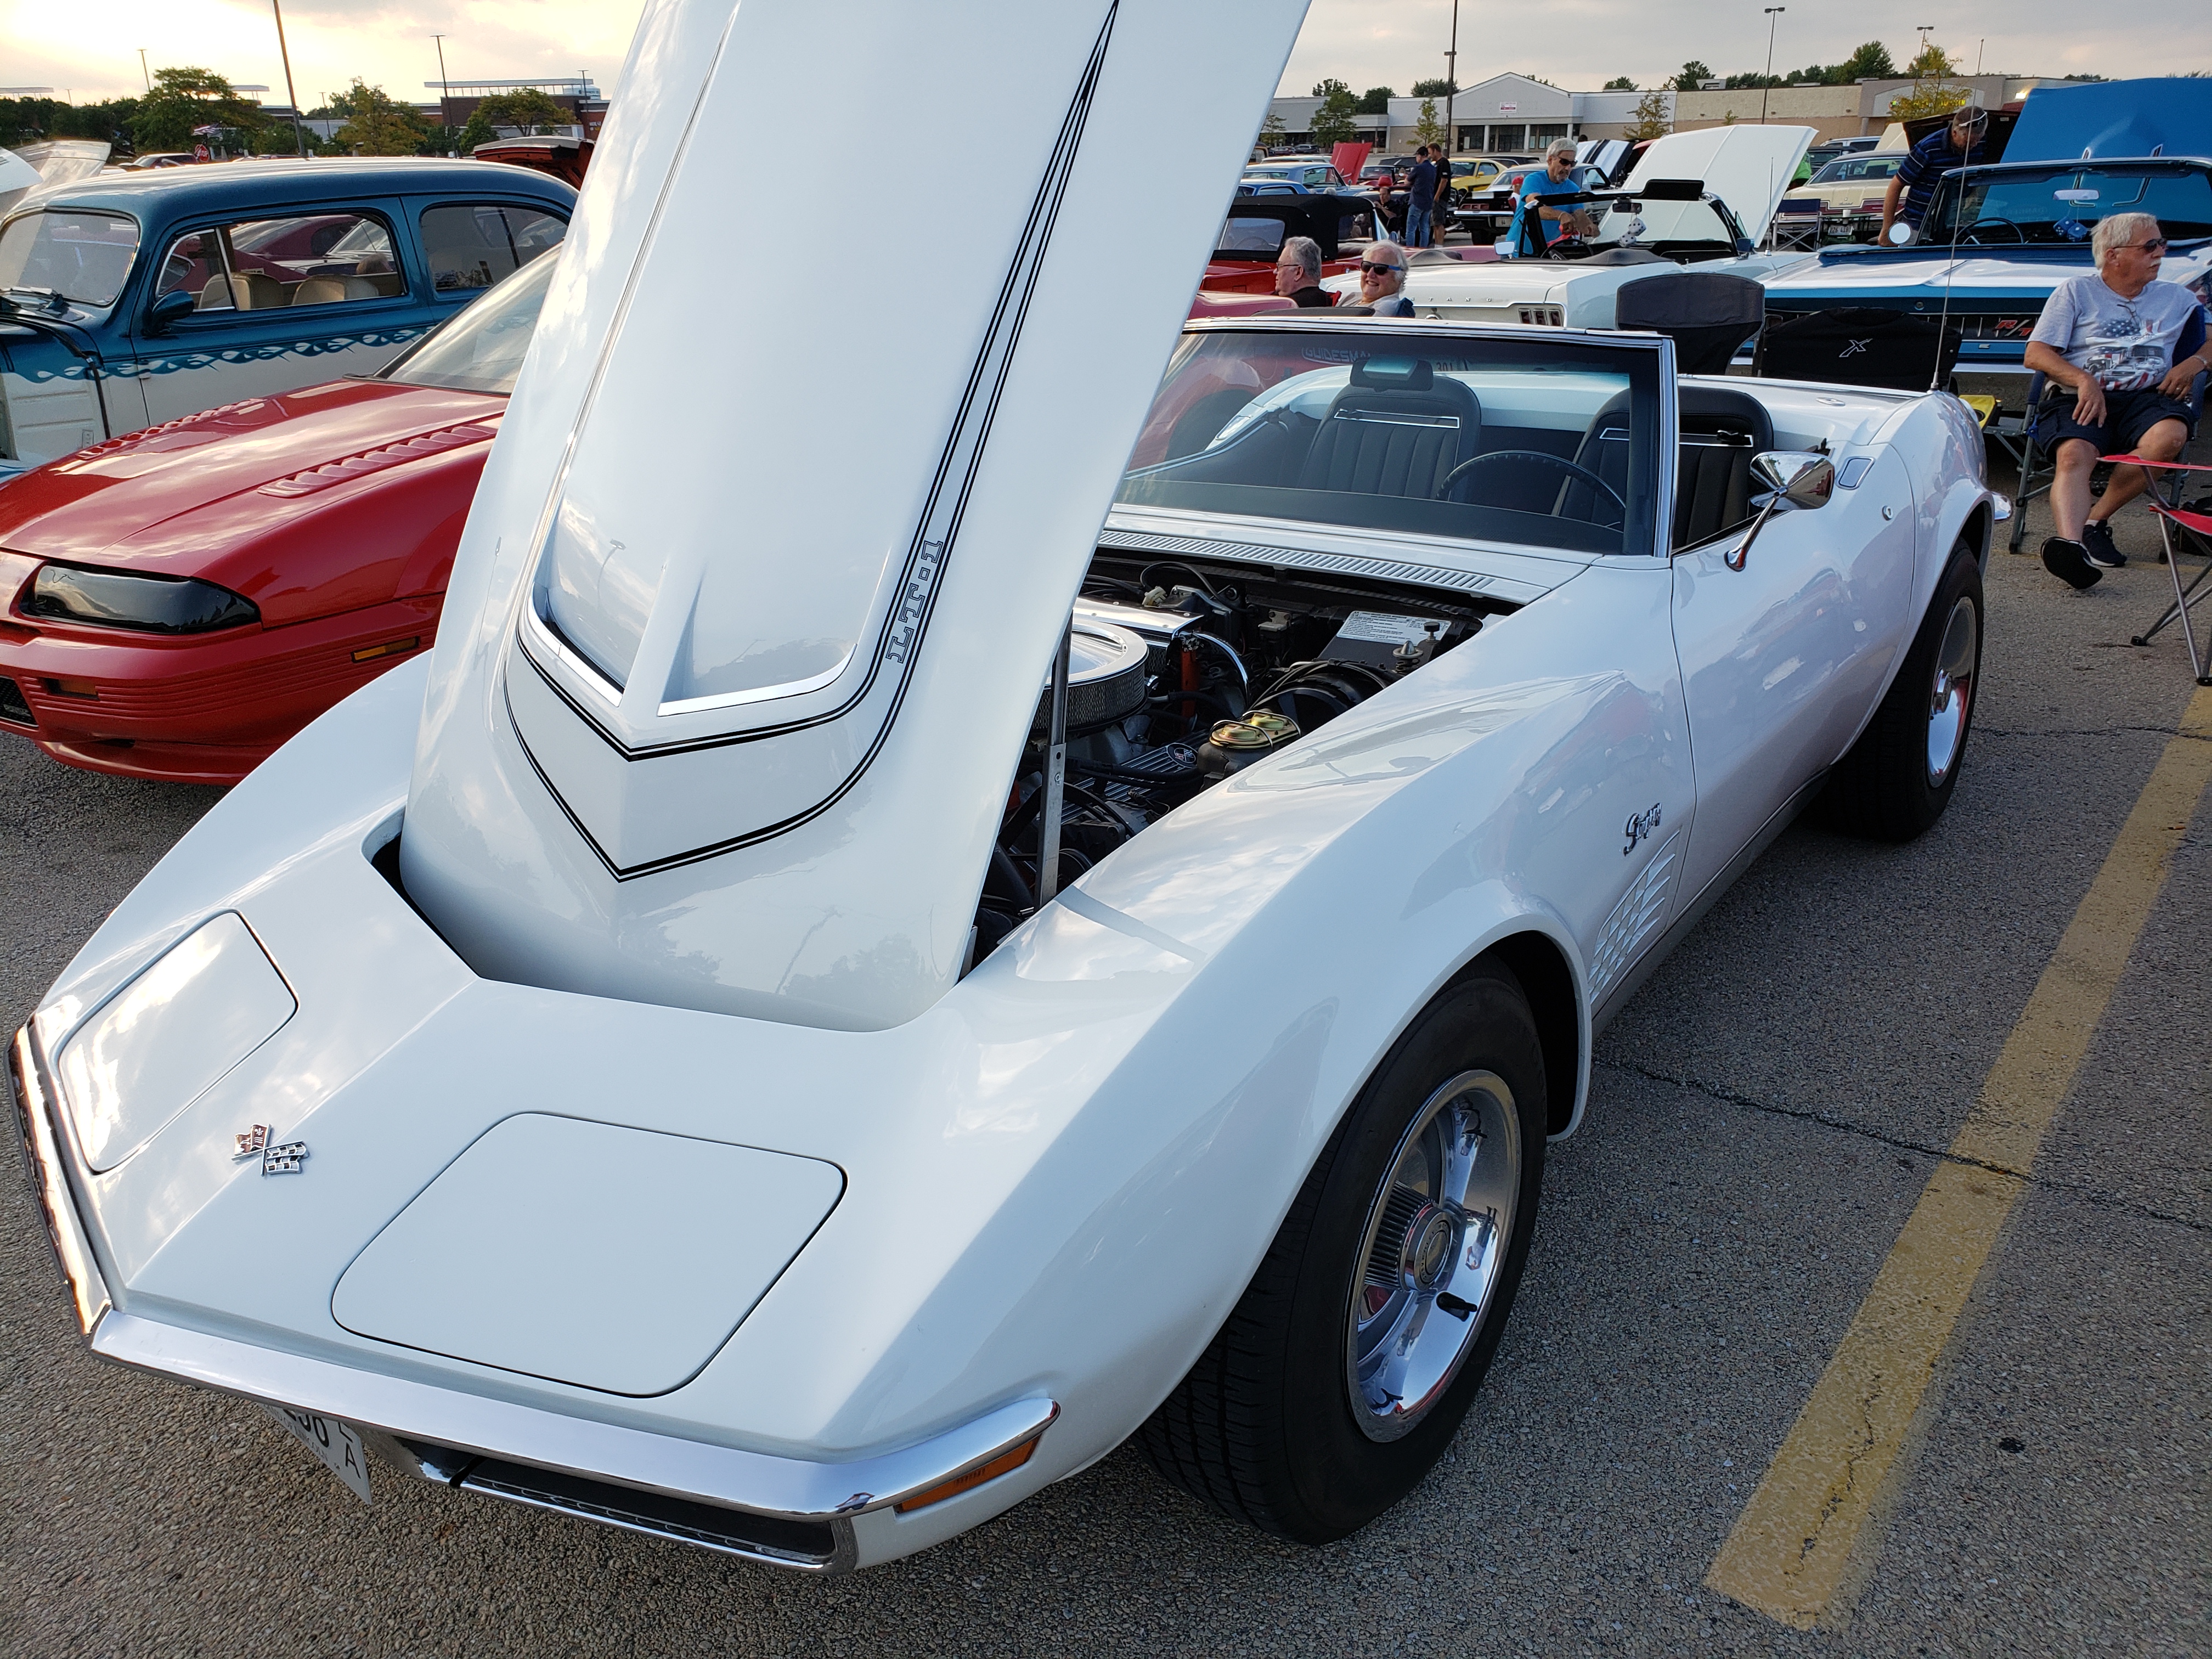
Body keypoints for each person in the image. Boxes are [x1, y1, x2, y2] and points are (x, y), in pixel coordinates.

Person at [2024, 212, 2209, 588]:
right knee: (2074, 454)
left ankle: (2094, 522)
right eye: (2150, 246)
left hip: (2148, 397)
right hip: (2080, 395)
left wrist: (2195, 363)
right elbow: (2036, 354)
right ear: (2114, 255)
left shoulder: (2177, 297)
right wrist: (2083, 379)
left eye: (2162, 243)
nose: (2161, 252)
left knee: (2170, 437)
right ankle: (2071, 549)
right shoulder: (2076, 291)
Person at [1881, 104, 1989, 242]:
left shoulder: (1980, 144)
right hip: (1919, 226)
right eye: (1969, 141)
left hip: (1954, 225)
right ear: (1955, 133)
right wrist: (1887, 229)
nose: (1974, 145)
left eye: (1978, 139)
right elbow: (1896, 185)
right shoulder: (1927, 148)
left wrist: (1974, 192)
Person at [1506, 140, 1587, 256]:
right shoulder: (1533, 180)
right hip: (1518, 251)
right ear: (1550, 160)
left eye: (1572, 164)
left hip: (1549, 252)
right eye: (1564, 162)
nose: (1568, 168)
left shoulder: (1573, 188)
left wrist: (1589, 227)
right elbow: (1535, 206)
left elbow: (1581, 216)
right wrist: (1561, 215)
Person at [1273, 236, 1334, 307]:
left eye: (1280, 266)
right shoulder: (1326, 301)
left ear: (1298, 273)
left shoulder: (1287, 307)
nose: (1275, 271)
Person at [1357, 241, 1413, 316]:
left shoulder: (1385, 308)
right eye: (1366, 266)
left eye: (1380, 269)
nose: (1370, 274)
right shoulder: (1351, 297)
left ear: (1399, 279)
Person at [1405, 146, 1437, 249]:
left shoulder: (1418, 168)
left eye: (1417, 156)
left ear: (1420, 156)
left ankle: (1410, 249)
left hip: (1417, 201)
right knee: (1425, 229)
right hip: (1428, 202)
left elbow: (1407, 182)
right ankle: (1424, 250)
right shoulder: (1433, 169)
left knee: (1411, 230)